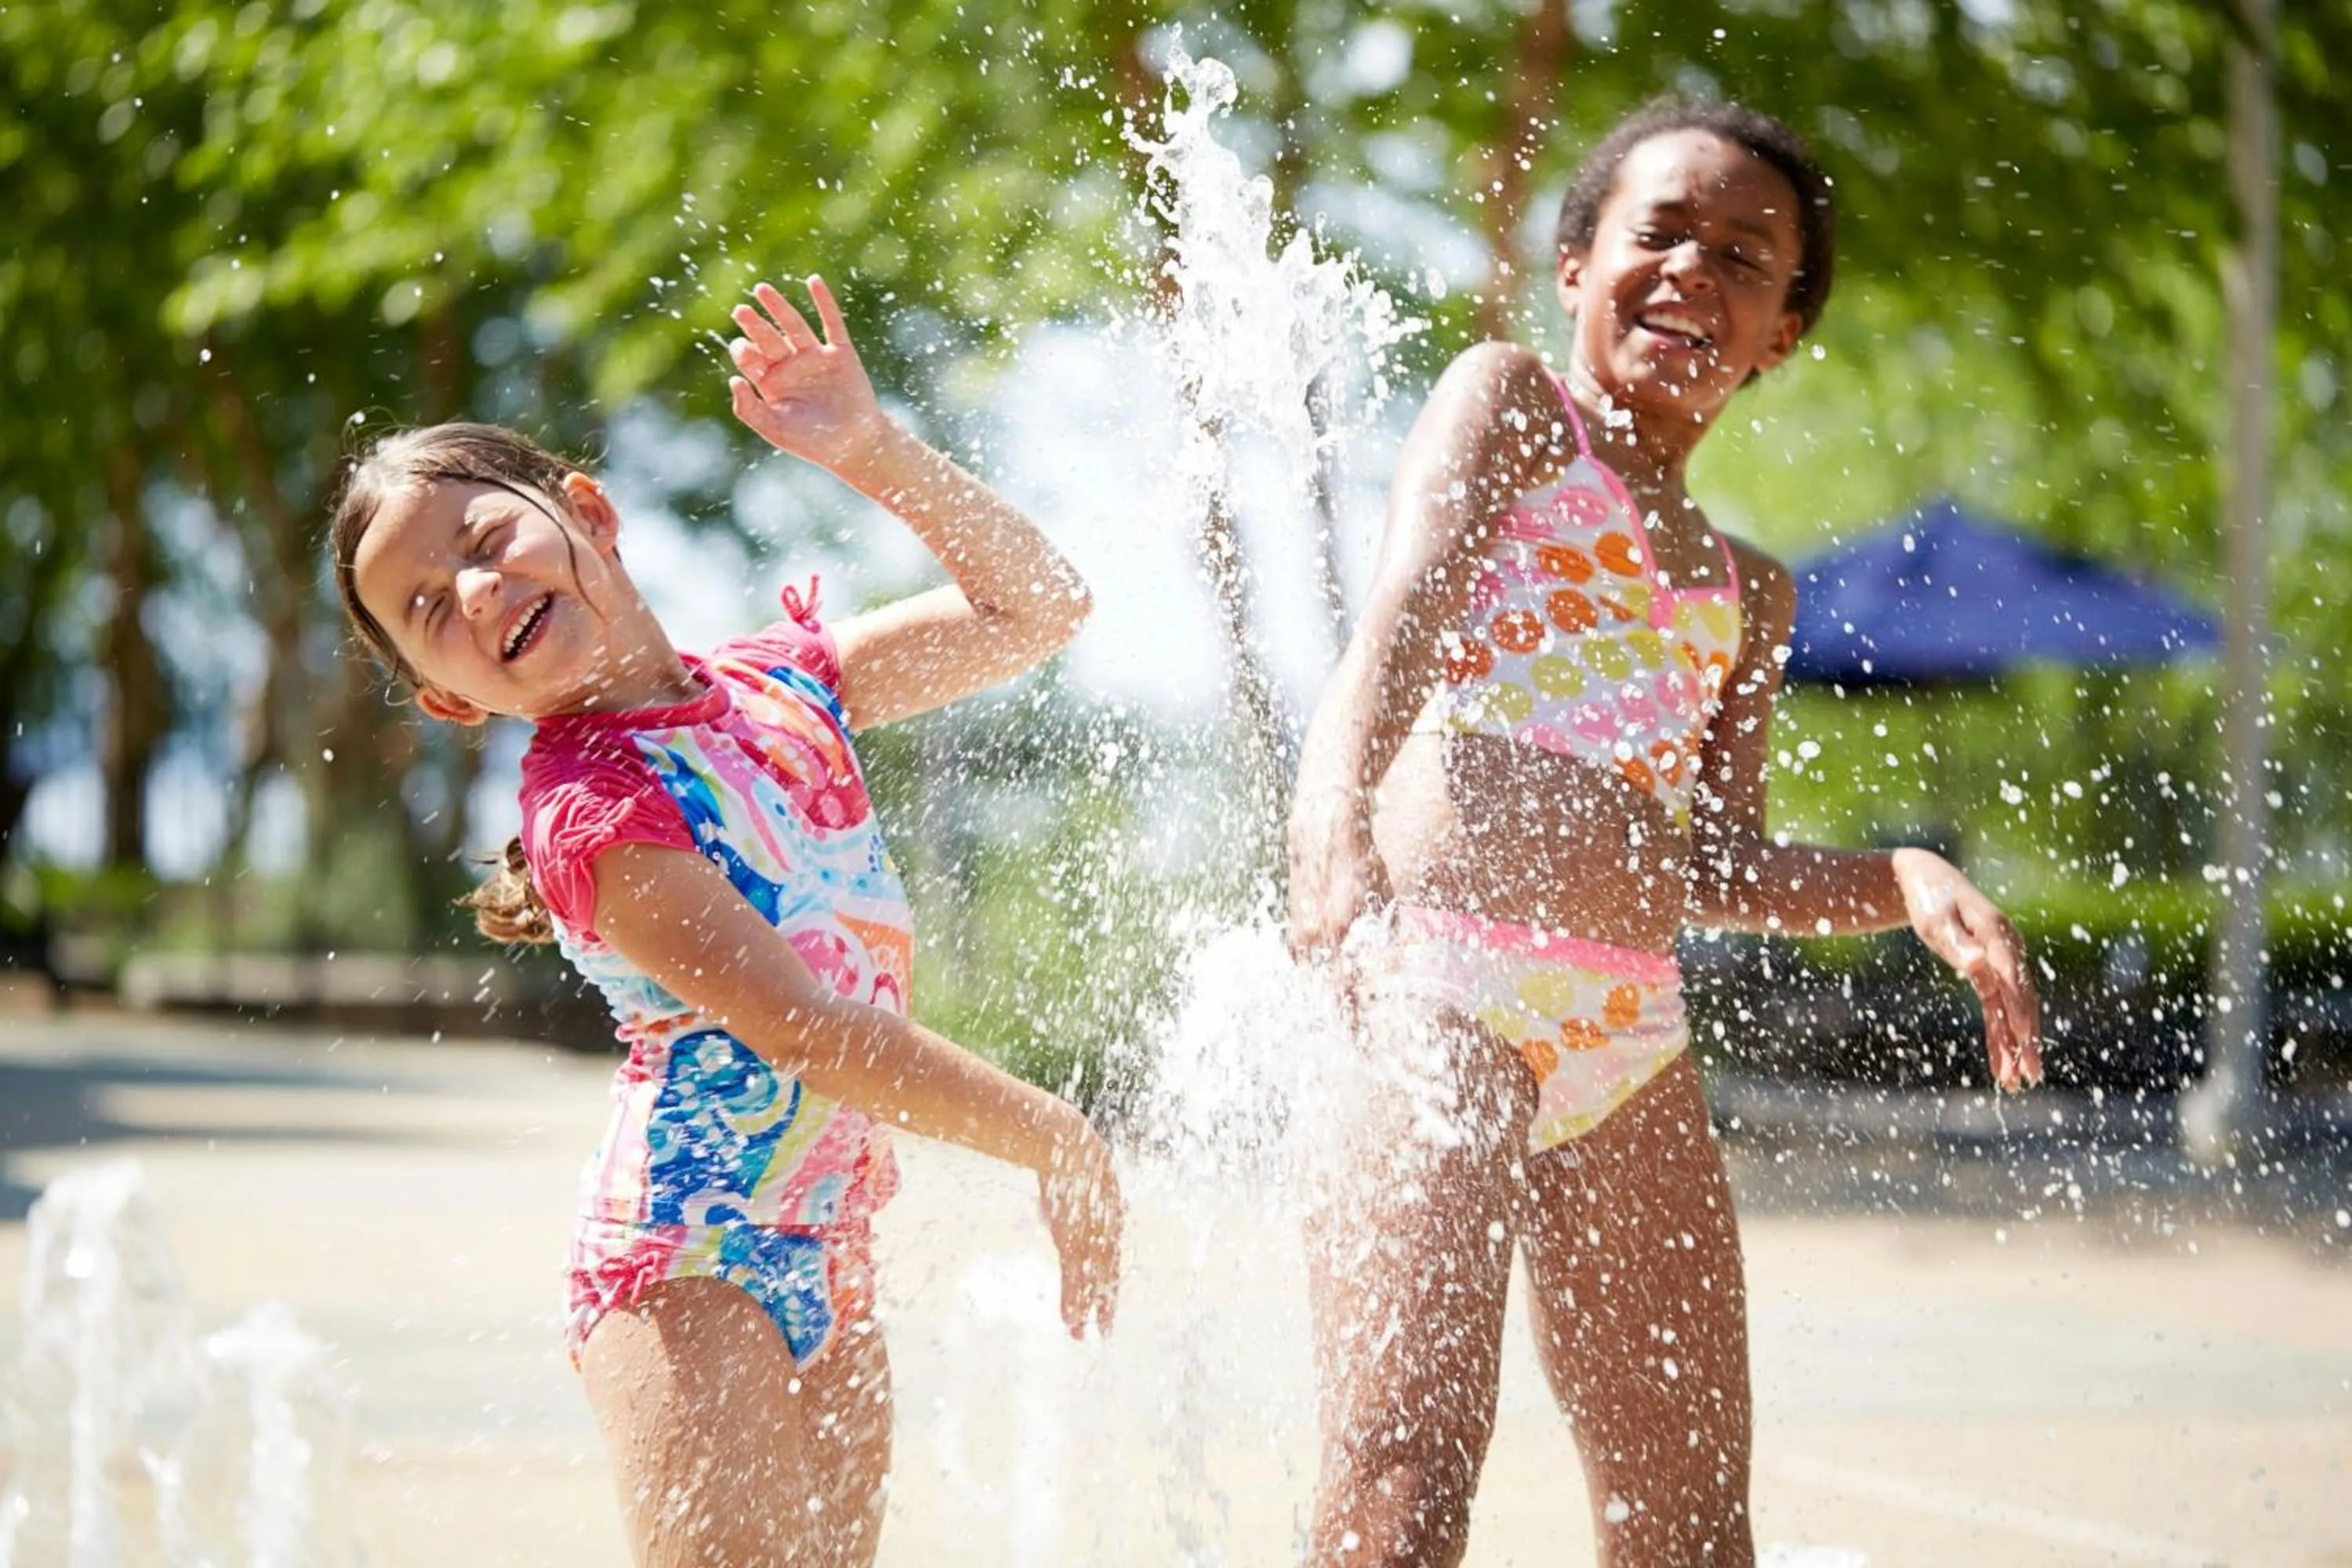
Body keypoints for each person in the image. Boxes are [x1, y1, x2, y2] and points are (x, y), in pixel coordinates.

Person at [1286, 100, 2042, 1566]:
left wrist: (1903, 875)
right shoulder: (1511, 405)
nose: (1697, 267)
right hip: (1434, 986)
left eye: (1747, 256)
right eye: (1661, 232)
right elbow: (1400, 620)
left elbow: (1715, 864)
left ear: (1785, 332)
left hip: (1629, 1034)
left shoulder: (1753, 591)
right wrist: (1333, 832)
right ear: (1576, 266)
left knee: (1691, 1520)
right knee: (1403, 1483)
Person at [329, 278, 1121, 1567]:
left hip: (829, 1248)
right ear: (449, 700)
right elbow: (807, 1031)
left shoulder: (784, 691)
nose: (472, 591)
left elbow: (1041, 610)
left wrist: (871, 450)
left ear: (586, 511)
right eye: (429, 610)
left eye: (482, 540)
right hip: (686, 1259)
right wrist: (1059, 1139)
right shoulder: (596, 810)